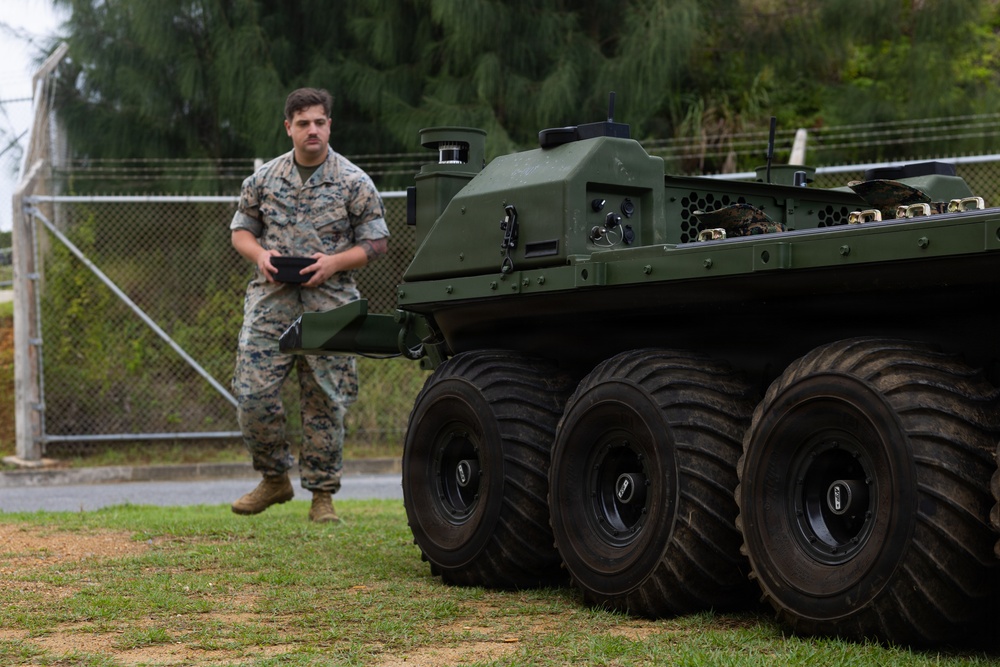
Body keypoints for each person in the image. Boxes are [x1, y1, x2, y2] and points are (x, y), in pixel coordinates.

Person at [229, 87, 389, 523]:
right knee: (252, 394)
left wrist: (334, 262)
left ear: (329, 125)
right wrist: (260, 255)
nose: (312, 130)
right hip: (270, 303)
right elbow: (241, 231)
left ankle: (322, 496)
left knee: (325, 401)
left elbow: (376, 242)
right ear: (289, 128)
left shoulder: (354, 181)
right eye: (303, 123)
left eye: (320, 121)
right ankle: (274, 478)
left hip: (330, 304)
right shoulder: (262, 180)